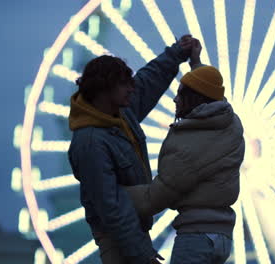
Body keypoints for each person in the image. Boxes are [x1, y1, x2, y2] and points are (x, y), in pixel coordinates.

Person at [67, 35, 194, 264]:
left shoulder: (120, 114)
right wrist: (142, 255)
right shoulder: (90, 143)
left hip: (135, 232)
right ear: (105, 89)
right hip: (118, 239)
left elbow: (148, 82)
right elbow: (111, 209)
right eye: (124, 84)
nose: (131, 87)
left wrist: (177, 53)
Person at [123, 39, 245, 264]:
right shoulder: (229, 123)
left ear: (194, 100)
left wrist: (116, 193)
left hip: (196, 237)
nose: (175, 99)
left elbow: (156, 197)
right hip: (222, 236)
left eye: (181, 94)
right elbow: (211, 92)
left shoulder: (189, 146)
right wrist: (195, 63)